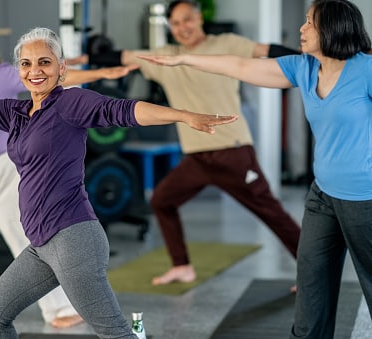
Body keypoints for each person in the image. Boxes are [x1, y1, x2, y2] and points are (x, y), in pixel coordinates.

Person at [0, 26, 237, 338]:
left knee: (115, 333)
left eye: (44, 62)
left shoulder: (70, 104)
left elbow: (123, 111)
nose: (34, 70)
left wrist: (184, 116)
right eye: (26, 63)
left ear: (61, 69)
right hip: (41, 245)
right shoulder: (17, 112)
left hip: (75, 240)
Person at [138, 0, 372, 337]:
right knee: (311, 280)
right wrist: (184, 58)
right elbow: (240, 66)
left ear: (333, 28)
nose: (302, 29)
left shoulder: (364, 69)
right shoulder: (303, 68)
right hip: (323, 194)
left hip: (363, 198)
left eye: (310, 23)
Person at [69, 0, 302, 286]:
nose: (182, 28)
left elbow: (270, 52)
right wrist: (78, 61)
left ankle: (313, 272)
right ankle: (181, 266)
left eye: (187, 20)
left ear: (199, 19)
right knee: (163, 200)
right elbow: (121, 56)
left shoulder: (227, 43)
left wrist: (312, 59)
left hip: (232, 151)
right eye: (176, 24)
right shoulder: (165, 57)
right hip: (197, 157)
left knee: (272, 213)